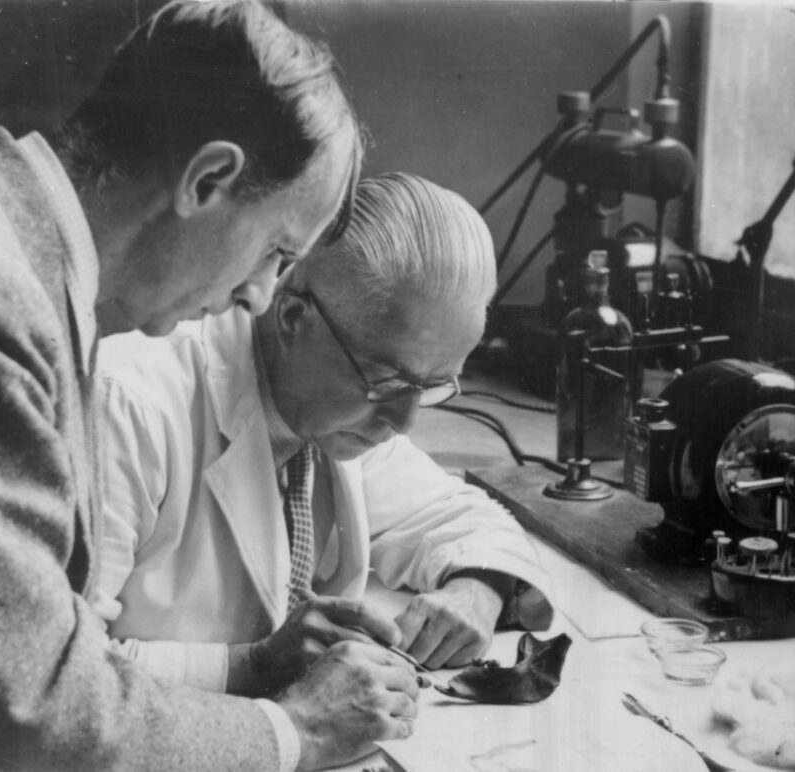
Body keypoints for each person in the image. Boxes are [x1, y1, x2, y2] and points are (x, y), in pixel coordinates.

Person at [0, 3, 420, 771]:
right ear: (208, 178)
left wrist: (251, 670)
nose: (259, 295)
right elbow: (25, 710)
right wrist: (296, 734)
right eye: (277, 251)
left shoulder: (14, 258)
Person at [94, 172, 555, 696]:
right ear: (292, 316)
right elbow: (55, 680)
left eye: (432, 386)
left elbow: (458, 516)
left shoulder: (334, 415)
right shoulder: (128, 406)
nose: (404, 423)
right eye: (389, 382)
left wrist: (479, 589)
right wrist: (255, 666)